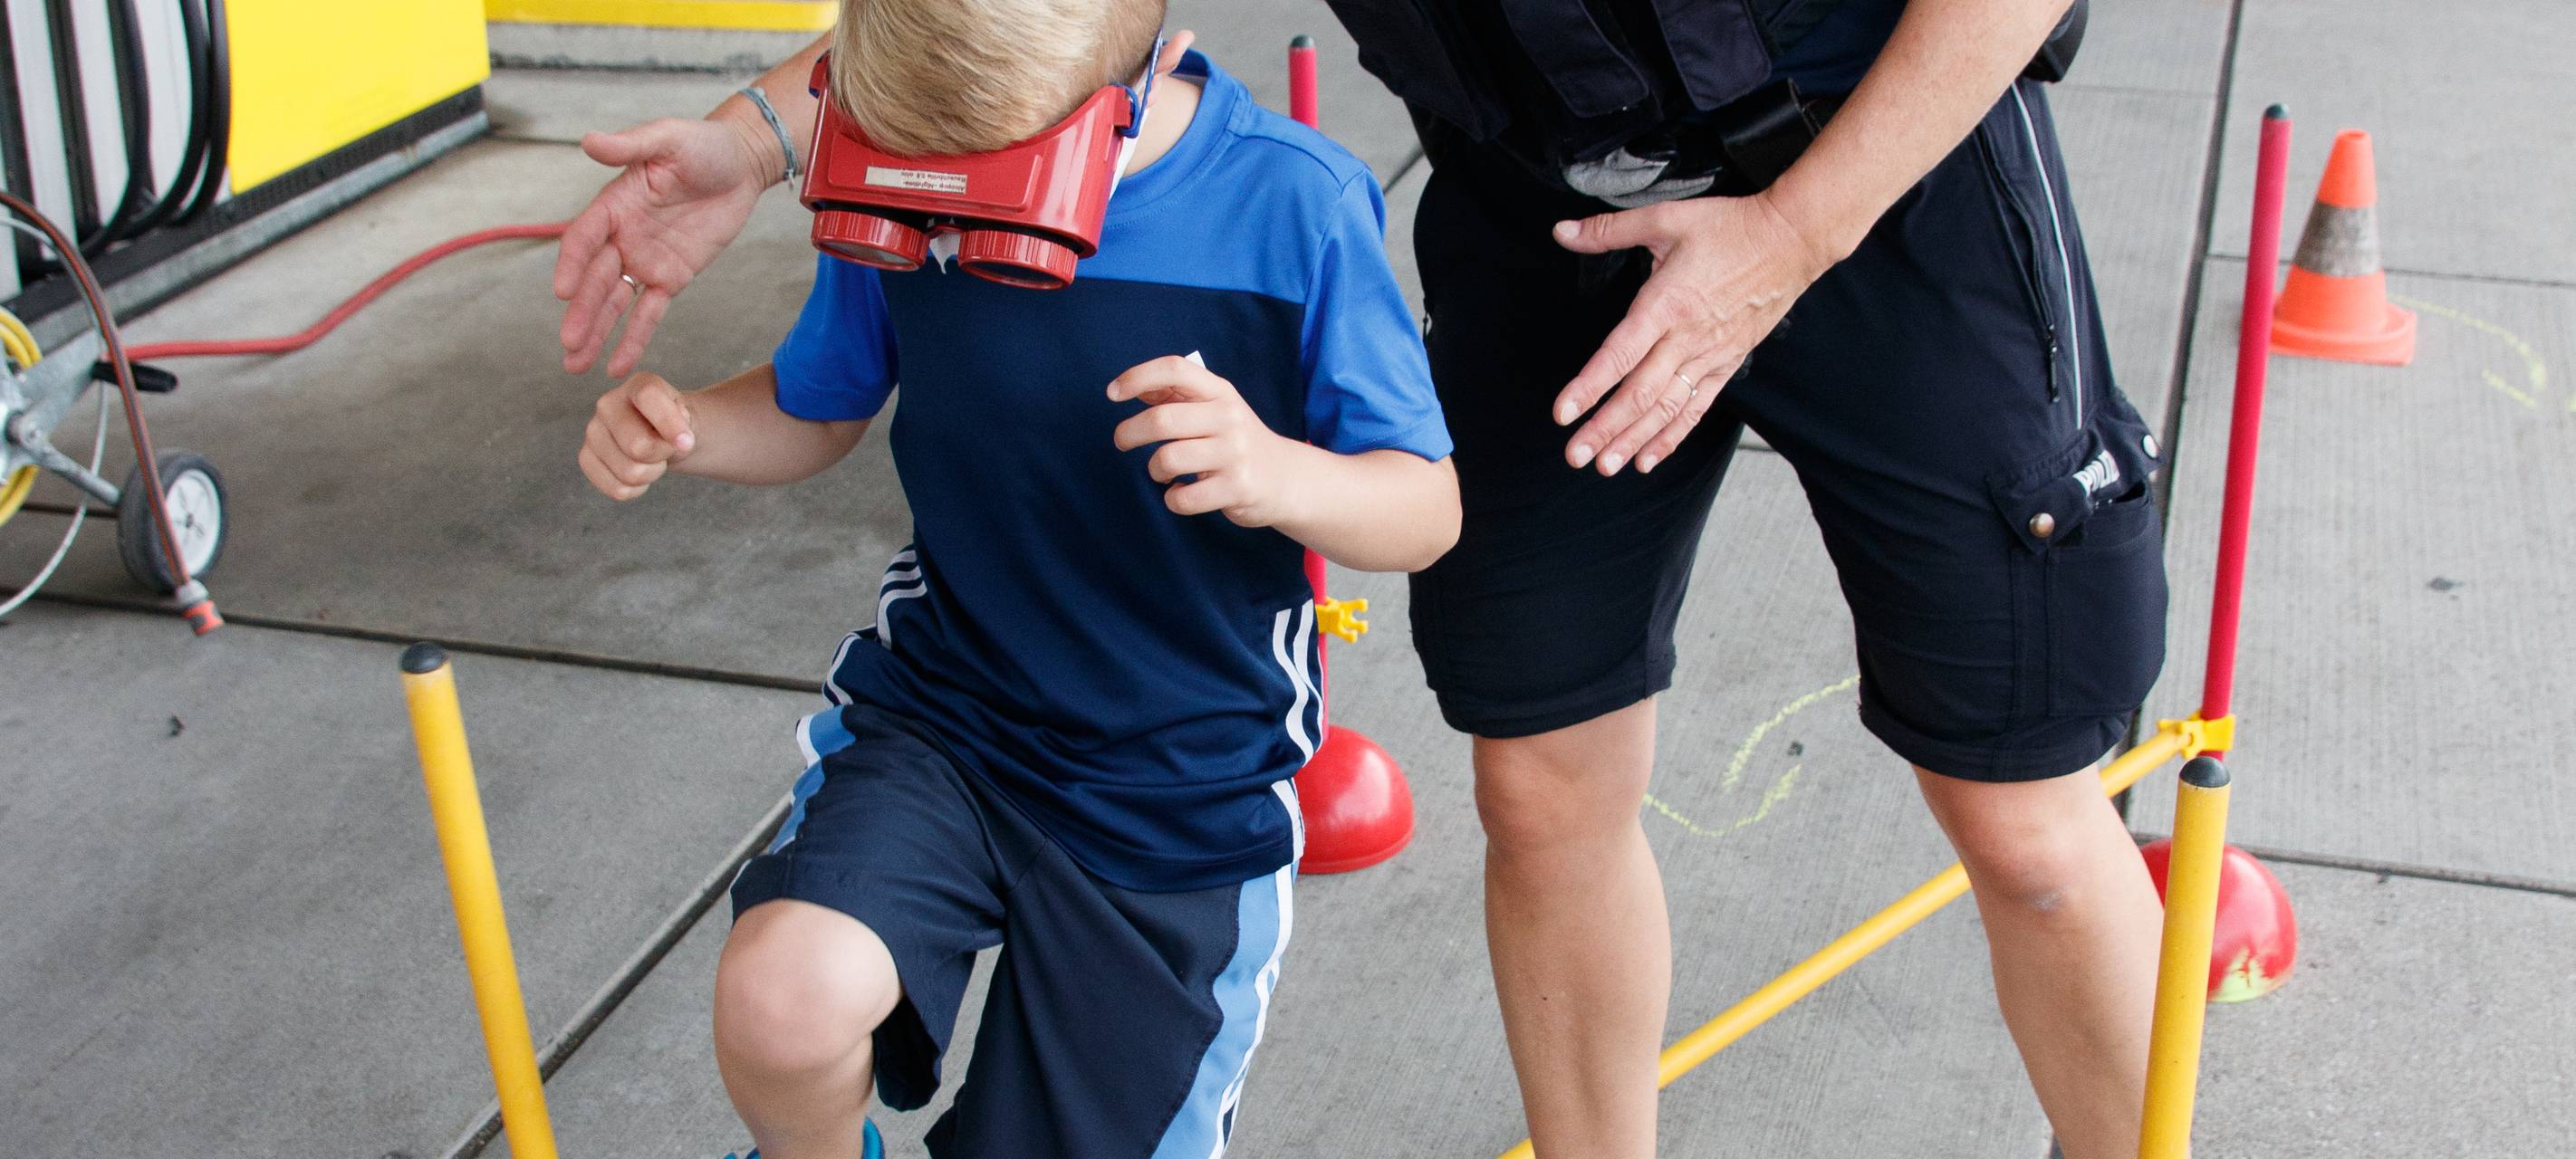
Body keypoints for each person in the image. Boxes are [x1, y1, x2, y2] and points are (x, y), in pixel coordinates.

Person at [555, 2, 2170, 1156]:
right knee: (1540, 786)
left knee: (2024, 817)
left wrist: (1789, 235)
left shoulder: (1284, 209)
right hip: (1545, 209)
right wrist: (763, 137)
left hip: (1874, 170)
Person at [571, 4, 1459, 1156]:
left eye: (987, 173)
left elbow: (1427, 509)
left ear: (1148, 69)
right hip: (955, 717)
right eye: (915, 169)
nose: (941, 205)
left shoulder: (1294, 205)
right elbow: (815, 403)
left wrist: (1280, 472)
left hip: (1179, 782)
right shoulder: (899, 169)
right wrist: (687, 427)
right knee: (785, 997)